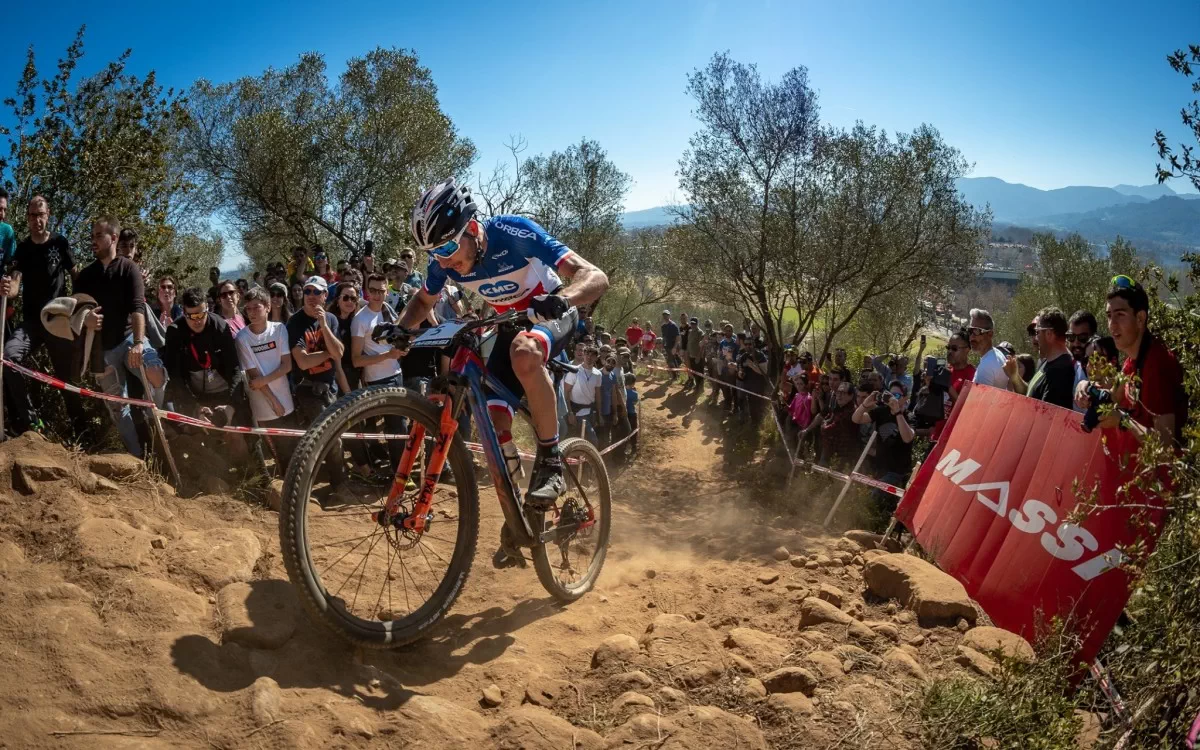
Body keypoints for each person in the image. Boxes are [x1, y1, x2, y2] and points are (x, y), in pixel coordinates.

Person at [400, 178, 609, 543]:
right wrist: (399, 328)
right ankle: (522, 517)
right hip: (508, 325)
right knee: (494, 426)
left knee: (524, 353)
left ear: (475, 229)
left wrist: (564, 298)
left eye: (449, 246)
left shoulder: (515, 232)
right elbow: (423, 302)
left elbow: (595, 276)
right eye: (435, 253)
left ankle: (550, 462)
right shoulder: (444, 264)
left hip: (552, 314)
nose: (445, 260)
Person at [76, 217, 168, 458]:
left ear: (113, 238)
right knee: (118, 408)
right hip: (101, 350)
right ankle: (137, 460)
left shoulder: (129, 268)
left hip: (130, 340)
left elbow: (138, 308)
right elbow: (76, 309)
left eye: (98, 235)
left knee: (155, 370)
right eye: (92, 236)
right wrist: (85, 319)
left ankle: (154, 414)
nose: (93, 241)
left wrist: (139, 343)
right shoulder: (86, 275)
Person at [2, 196, 87, 439]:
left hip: (58, 321)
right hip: (31, 322)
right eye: (32, 215)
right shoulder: (23, 248)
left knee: (65, 378)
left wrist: (84, 308)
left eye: (40, 214)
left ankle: (83, 433)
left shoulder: (60, 243)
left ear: (48, 214)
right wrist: (10, 289)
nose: (36, 220)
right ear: (27, 218)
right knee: (9, 357)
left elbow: (76, 276)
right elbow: (16, 284)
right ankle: (30, 421)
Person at [1075, 276, 1186, 446]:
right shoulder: (1131, 362)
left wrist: (1123, 421)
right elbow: (1113, 396)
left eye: (1120, 315)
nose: (1112, 325)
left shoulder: (1157, 363)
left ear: (1140, 318)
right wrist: (1086, 387)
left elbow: (1165, 444)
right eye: (1109, 316)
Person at [287, 276, 348, 494]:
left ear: (325, 295)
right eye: (308, 291)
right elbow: (302, 361)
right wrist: (327, 354)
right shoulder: (295, 322)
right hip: (307, 389)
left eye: (316, 292)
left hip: (330, 388)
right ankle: (339, 485)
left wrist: (323, 325)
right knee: (329, 438)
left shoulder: (330, 319)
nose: (311, 296)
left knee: (330, 438)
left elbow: (339, 353)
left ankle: (330, 484)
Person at [235, 287, 299, 473]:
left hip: (285, 398)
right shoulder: (242, 338)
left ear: (268, 307)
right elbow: (253, 374)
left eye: (257, 307)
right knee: (279, 450)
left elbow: (286, 365)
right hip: (263, 404)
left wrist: (264, 382)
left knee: (294, 445)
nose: (253, 313)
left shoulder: (279, 330)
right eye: (248, 309)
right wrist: (273, 400)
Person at [351, 273, 406, 470]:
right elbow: (356, 360)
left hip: (397, 373)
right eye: (373, 290)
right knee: (396, 426)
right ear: (366, 290)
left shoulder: (387, 310)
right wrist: (387, 356)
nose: (377, 295)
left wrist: (401, 350)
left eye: (381, 291)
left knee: (399, 425)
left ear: (386, 291)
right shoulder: (360, 319)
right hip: (378, 380)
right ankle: (399, 473)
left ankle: (399, 470)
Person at [852, 380, 915, 512]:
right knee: (866, 499)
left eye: (896, 396)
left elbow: (907, 437)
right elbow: (856, 419)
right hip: (880, 466)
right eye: (890, 395)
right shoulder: (881, 411)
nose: (892, 399)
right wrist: (865, 404)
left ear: (905, 398)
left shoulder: (908, 417)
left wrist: (898, 412)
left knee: (873, 499)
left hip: (897, 471)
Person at [1024, 307, 1076, 410]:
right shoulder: (1046, 362)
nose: (1035, 338)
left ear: (1049, 334)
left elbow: (1047, 418)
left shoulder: (1061, 372)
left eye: (1037, 332)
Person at [564, 346, 602, 446]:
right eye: (587, 354)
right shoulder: (574, 371)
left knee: (582, 440)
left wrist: (599, 414)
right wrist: (570, 413)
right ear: (584, 355)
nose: (589, 357)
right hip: (577, 412)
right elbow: (566, 392)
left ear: (596, 358)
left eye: (592, 355)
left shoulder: (598, 374)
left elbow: (597, 394)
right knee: (592, 440)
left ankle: (582, 460)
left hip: (591, 411)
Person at [820, 382, 860, 469]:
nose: (839, 395)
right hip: (832, 451)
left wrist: (824, 424)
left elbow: (827, 429)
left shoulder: (851, 411)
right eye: (838, 392)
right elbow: (827, 418)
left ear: (851, 395)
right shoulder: (838, 407)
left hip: (844, 455)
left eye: (843, 393)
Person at [968, 308, 1009, 390]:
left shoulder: (987, 365)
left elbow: (980, 401)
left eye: (976, 331)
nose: (971, 337)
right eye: (970, 330)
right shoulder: (997, 355)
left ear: (990, 334)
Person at [684, 317, 704, 390]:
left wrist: (698, 356)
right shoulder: (690, 331)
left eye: (694, 323)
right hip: (690, 356)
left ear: (697, 324)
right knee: (693, 372)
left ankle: (700, 387)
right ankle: (696, 385)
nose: (692, 325)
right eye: (691, 323)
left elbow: (702, 346)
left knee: (699, 372)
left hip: (697, 356)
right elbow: (688, 343)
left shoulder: (700, 332)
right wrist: (687, 353)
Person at [660, 310, 681, 381]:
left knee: (670, 361)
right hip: (666, 346)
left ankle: (675, 376)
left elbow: (677, 337)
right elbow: (664, 337)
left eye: (667, 315)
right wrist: (662, 345)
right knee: (671, 360)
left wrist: (675, 347)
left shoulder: (673, 325)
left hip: (673, 345)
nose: (665, 316)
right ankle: (676, 375)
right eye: (664, 315)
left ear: (669, 316)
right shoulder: (663, 326)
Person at [624, 372, 639, 457]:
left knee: (625, 431)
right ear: (633, 383)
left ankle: (624, 447)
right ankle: (634, 447)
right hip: (632, 413)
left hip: (624, 414)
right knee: (634, 430)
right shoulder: (634, 393)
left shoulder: (622, 392)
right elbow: (635, 401)